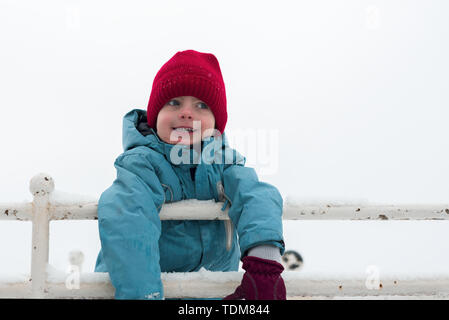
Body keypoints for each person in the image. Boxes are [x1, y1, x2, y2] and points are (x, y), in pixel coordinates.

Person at [94, 49, 286, 300]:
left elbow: (256, 195)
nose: (186, 112)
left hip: (211, 294)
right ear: (155, 117)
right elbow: (128, 219)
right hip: (143, 289)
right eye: (174, 102)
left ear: (216, 124)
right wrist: (143, 295)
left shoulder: (223, 162)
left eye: (201, 105)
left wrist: (264, 264)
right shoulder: (142, 164)